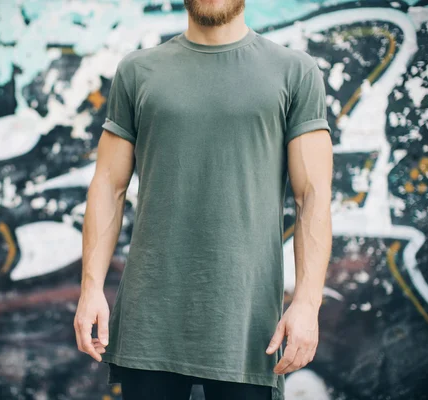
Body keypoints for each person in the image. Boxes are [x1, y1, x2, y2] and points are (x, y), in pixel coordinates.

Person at [74, 0, 333, 398]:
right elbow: (108, 185)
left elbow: (312, 197)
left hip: (248, 325)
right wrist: (90, 289)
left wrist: (307, 303)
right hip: (150, 321)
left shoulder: (294, 72)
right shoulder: (138, 70)